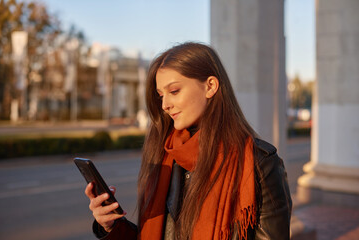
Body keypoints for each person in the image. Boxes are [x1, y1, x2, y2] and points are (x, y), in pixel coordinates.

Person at [85, 42, 292, 240]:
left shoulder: (259, 164)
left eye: (174, 91)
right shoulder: (165, 154)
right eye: (160, 95)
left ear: (210, 86)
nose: (165, 104)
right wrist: (110, 225)